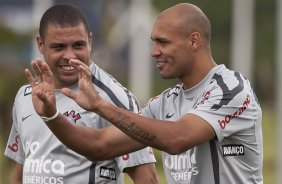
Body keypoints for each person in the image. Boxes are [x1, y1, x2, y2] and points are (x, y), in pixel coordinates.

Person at [25, 3, 263, 184]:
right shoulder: (164, 103)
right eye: (153, 42)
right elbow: (98, 146)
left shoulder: (231, 89)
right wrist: (51, 116)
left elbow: (176, 139)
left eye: (163, 42)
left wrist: (100, 105)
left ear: (194, 41)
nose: (153, 52)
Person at [4, 4, 159, 184]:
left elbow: (147, 178)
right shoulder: (25, 96)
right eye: (59, 47)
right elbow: (22, 171)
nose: (70, 56)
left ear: (90, 41)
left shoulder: (112, 97)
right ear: (40, 44)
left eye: (78, 45)